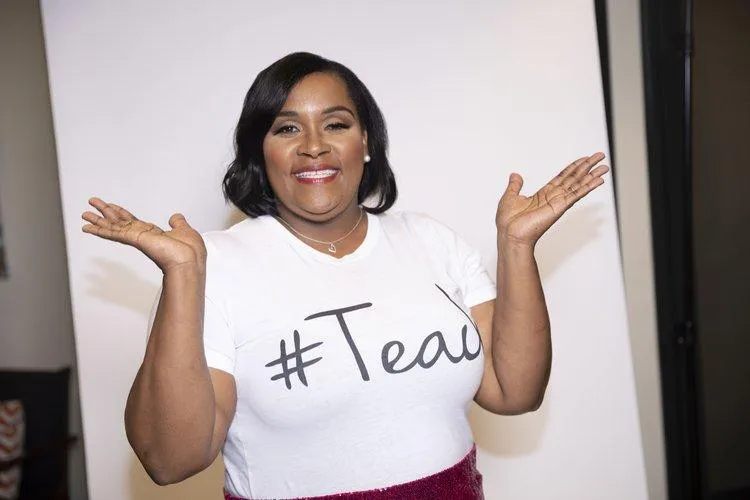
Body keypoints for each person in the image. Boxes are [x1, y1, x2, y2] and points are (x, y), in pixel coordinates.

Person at [81, 52, 609, 500]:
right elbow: (170, 460)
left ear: (367, 143)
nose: (314, 144)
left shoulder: (431, 241)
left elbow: (513, 392)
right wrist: (183, 275)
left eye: (336, 124)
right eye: (287, 127)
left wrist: (517, 246)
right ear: (259, 154)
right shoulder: (212, 267)